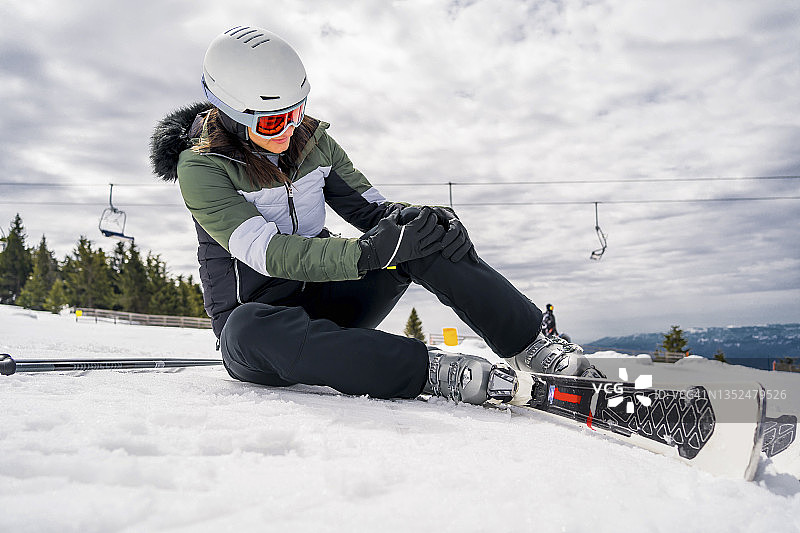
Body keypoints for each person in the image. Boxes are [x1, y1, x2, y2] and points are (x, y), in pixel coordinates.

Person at [150, 26, 603, 406]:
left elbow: (374, 211)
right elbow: (268, 254)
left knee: (417, 236)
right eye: (272, 122)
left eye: (297, 112)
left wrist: (422, 222)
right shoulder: (201, 167)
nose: (290, 129)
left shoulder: (313, 143)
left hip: (330, 302)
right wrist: (365, 254)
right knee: (245, 328)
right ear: (231, 114)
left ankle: (532, 346)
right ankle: (433, 373)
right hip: (262, 333)